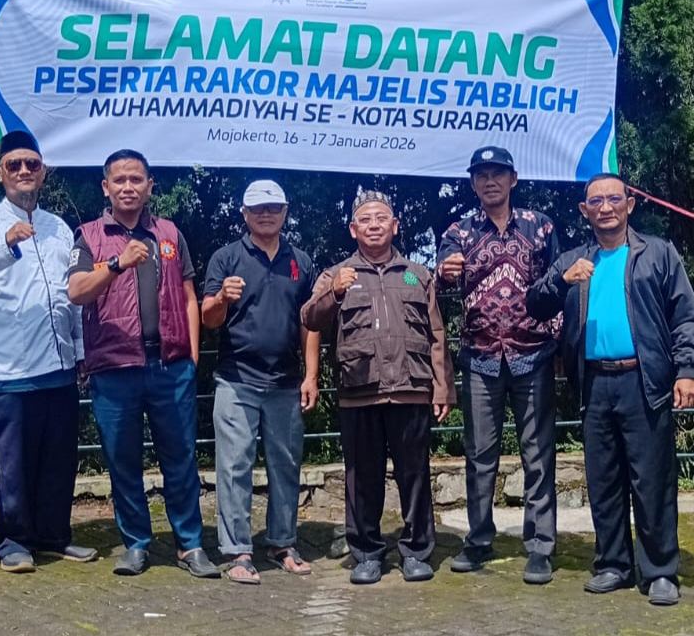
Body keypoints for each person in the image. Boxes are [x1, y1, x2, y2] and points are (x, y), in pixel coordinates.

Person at [527, 172, 694, 606]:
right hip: (593, 384)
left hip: (645, 381)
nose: (605, 207)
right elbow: (534, 304)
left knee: (652, 480)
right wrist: (561, 280)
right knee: (603, 480)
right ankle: (614, 564)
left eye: (614, 199)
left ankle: (660, 571)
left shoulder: (657, 253)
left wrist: (686, 370)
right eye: (596, 201)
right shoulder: (573, 260)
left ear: (629, 204)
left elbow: (684, 315)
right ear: (584, 210)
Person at [68, 149, 218, 578]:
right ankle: (135, 543)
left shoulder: (169, 233)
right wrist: (116, 264)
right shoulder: (90, 236)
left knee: (181, 459)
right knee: (123, 461)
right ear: (106, 187)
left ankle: (190, 544)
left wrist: (191, 356)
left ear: (150, 186)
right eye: (120, 180)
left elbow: (188, 297)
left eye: (136, 179)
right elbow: (77, 291)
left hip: (171, 367)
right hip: (114, 368)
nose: (128, 187)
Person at [302, 190, 455, 585]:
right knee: (362, 478)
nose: (374, 225)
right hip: (359, 392)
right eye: (365, 220)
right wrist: (335, 293)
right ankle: (367, 553)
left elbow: (437, 334)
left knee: (415, 475)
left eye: (381, 218)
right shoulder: (336, 275)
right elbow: (310, 318)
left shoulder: (417, 274)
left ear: (395, 226)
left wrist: (442, 387)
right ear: (353, 229)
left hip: (410, 389)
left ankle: (417, 552)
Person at [0, 130, 97, 573]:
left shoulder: (59, 227)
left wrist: (80, 351)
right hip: (8, 367)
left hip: (58, 364)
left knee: (58, 460)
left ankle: (54, 536)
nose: (24, 170)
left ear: (43, 172)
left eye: (32, 164)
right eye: (15, 164)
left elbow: (72, 295)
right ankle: (12, 542)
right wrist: (4, 245)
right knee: (13, 464)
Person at [437, 146, 560, 585]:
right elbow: (441, 278)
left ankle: (540, 546)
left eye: (498, 174)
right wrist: (445, 271)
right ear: (473, 184)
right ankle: (478, 539)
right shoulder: (458, 231)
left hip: (534, 355)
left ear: (513, 179)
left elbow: (558, 285)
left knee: (538, 454)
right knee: (479, 455)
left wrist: (558, 343)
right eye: (482, 175)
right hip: (480, 358)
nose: (490, 181)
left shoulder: (541, 225)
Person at [202, 180, 319, 585]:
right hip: (236, 379)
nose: (265, 214)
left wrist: (311, 375)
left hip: (286, 381)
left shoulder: (300, 261)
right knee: (234, 466)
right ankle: (238, 551)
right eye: (257, 208)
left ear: (285, 212)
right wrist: (222, 298)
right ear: (244, 214)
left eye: (273, 208)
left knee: (286, 465)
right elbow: (208, 318)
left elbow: (310, 321)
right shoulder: (226, 257)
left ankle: (283, 544)